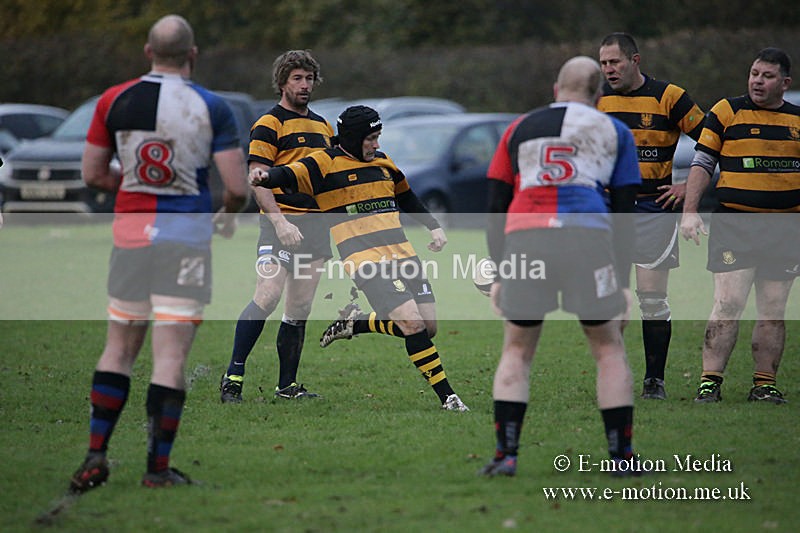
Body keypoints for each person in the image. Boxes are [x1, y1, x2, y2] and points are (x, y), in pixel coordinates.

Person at [68, 14, 249, 493]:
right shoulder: (212, 105)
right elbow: (235, 187)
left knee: (118, 348)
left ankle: (95, 456)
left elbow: (91, 174)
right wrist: (225, 216)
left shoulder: (113, 99)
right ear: (192, 55)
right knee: (169, 357)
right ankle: (156, 469)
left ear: (148, 52)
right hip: (184, 239)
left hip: (130, 236)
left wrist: (130, 189)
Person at [480, 56, 641, 477]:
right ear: (599, 95)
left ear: (556, 88)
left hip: (525, 236)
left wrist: (498, 271)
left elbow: (496, 205)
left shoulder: (517, 128)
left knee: (516, 348)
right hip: (586, 237)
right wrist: (623, 281)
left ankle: (505, 456)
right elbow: (625, 210)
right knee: (608, 348)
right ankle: (621, 458)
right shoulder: (615, 130)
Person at [250, 105, 469, 411]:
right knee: (412, 324)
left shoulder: (383, 161)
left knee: (427, 327)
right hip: (364, 259)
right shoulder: (324, 163)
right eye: (371, 138)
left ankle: (356, 323)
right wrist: (265, 175)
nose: (376, 144)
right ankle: (449, 398)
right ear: (353, 138)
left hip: (403, 254)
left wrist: (433, 226)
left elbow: (405, 195)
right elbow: (289, 173)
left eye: (378, 137)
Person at [680, 47, 799, 404]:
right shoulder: (726, 111)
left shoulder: (796, 120)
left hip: (785, 229)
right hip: (737, 224)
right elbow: (702, 162)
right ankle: (709, 382)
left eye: (767, 76)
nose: (758, 81)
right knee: (728, 301)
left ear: (785, 82)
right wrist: (690, 210)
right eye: (754, 74)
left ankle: (764, 384)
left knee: (774, 308)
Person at [219, 50, 334, 403]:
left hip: (315, 228)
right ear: (282, 81)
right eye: (297, 78)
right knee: (268, 295)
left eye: (309, 78)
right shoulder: (270, 123)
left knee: (300, 307)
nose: (304, 84)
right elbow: (257, 180)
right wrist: (280, 222)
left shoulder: (323, 127)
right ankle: (233, 377)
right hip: (279, 224)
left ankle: (287, 387)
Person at [598, 32, 706, 400]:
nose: (609, 69)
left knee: (652, 297)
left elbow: (713, 143)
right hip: (610, 210)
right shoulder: (599, 102)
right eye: (603, 63)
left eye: (614, 62)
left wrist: (684, 187)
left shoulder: (669, 97)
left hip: (653, 209)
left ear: (635, 60)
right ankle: (614, 375)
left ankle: (654, 381)